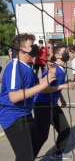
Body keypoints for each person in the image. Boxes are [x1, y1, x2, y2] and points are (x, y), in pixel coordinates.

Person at [0, 33, 56, 161]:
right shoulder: (15, 66)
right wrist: (42, 85)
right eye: (32, 45)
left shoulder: (27, 68)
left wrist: (49, 75)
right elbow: (14, 96)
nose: (36, 47)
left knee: (35, 146)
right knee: (26, 156)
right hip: (13, 117)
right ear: (23, 49)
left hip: (26, 114)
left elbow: (40, 87)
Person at [34, 44, 75, 159]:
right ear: (57, 55)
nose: (67, 53)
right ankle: (27, 157)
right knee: (41, 136)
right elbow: (43, 89)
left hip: (52, 104)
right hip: (42, 105)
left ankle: (57, 153)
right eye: (64, 51)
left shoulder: (61, 69)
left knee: (65, 129)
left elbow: (55, 86)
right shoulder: (53, 68)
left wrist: (62, 99)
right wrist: (65, 85)